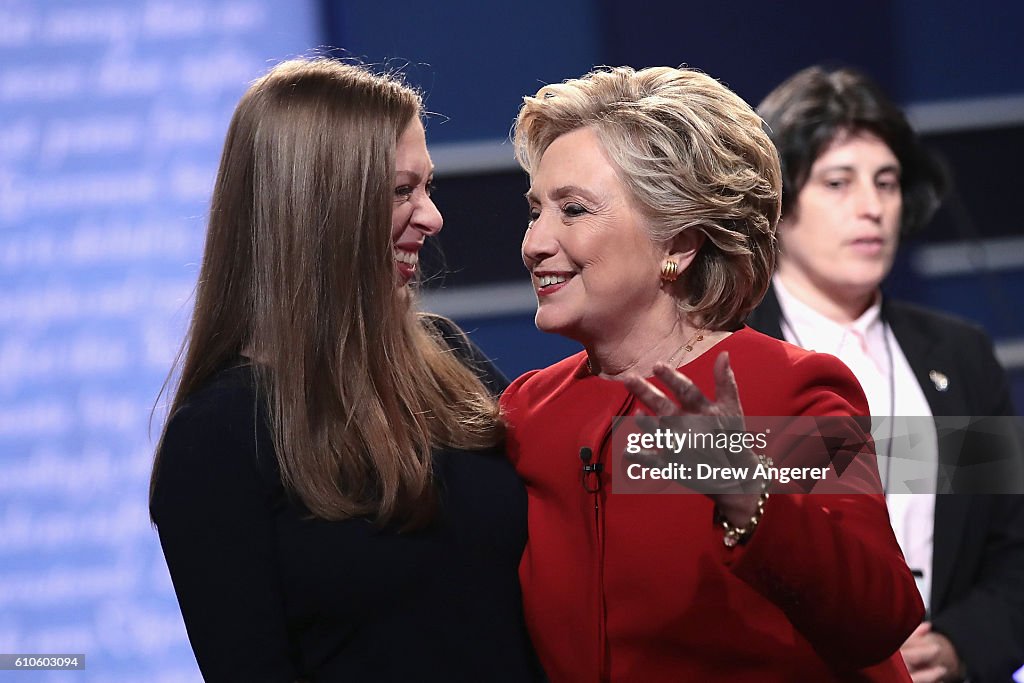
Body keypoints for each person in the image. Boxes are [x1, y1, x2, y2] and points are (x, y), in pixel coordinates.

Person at [501, 64, 924, 682]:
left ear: (678, 244)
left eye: (574, 210)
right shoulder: (530, 412)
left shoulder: (790, 388)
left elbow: (880, 616)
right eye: (536, 210)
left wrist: (751, 498)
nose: (535, 242)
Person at [148, 58, 542, 682]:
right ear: (316, 209)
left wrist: (735, 458)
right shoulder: (217, 438)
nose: (433, 218)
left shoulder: (447, 359)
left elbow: (590, 469)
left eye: (428, 187)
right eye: (400, 191)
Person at [748, 65, 1024, 683]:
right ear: (779, 201)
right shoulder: (724, 356)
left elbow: (1015, 549)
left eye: (888, 182)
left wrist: (959, 646)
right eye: (838, 183)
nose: (872, 208)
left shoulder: (960, 355)